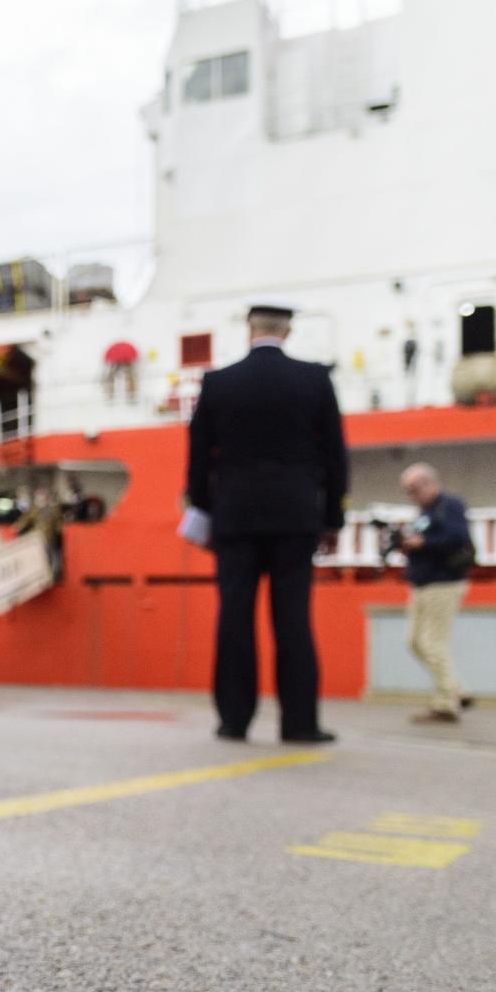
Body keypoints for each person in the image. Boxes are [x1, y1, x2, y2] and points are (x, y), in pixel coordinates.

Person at [185, 304, 348, 743]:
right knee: (293, 619)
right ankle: (299, 724)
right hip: (296, 516)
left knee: (234, 617)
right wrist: (332, 519)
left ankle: (233, 721)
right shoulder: (314, 378)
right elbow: (335, 454)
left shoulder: (218, 382)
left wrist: (204, 511)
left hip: (235, 517)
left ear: (249, 330)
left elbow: (199, 457)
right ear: (288, 330)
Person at [395, 464, 473, 723]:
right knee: (415, 642)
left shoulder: (449, 505)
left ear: (429, 483)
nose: (411, 495)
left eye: (413, 489)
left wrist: (424, 543)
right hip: (421, 583)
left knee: (433, 643)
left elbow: (458, 537)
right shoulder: (424, 512)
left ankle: (446, 703)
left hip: (444, 582)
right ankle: (456, 689)